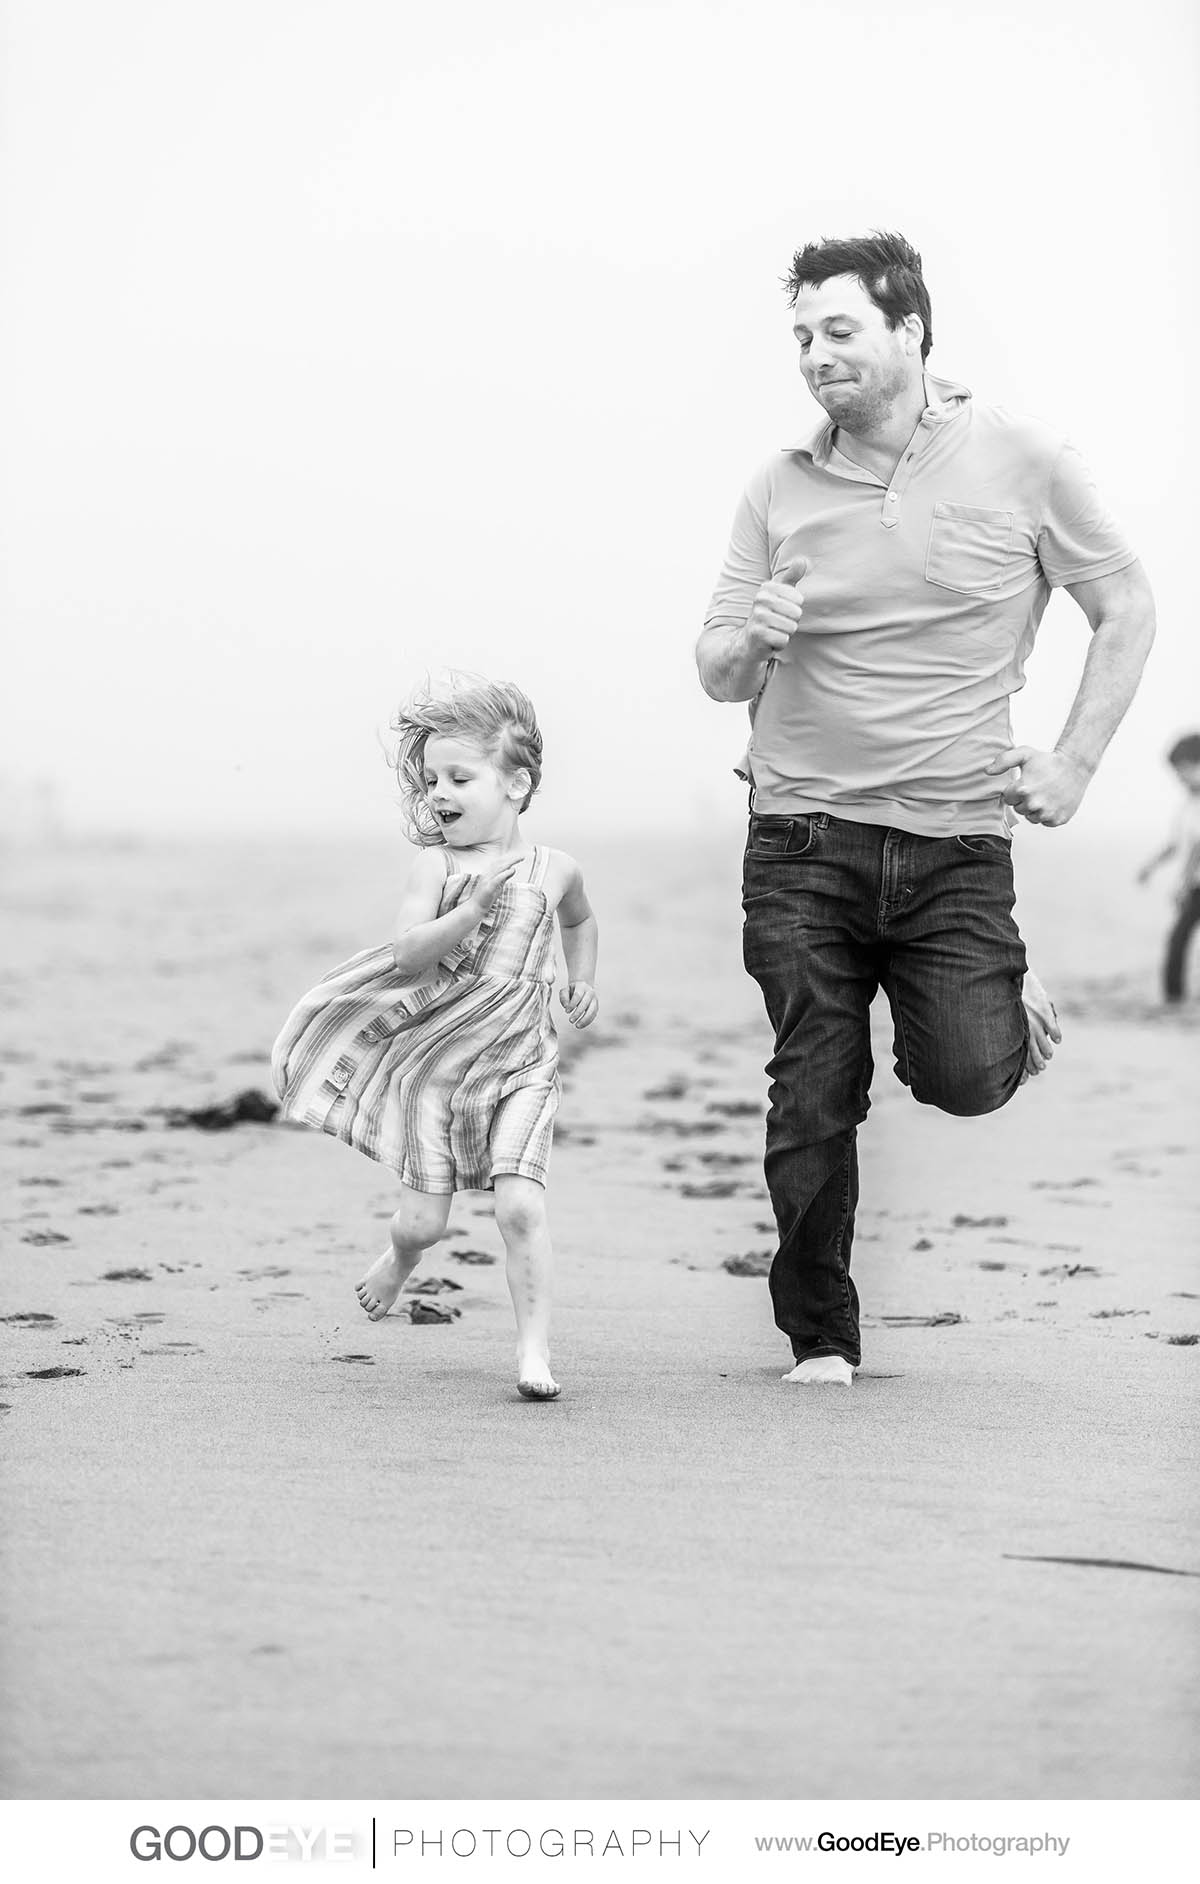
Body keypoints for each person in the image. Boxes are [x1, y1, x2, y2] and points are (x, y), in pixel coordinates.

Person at [696, 231, 1155, 1388]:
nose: (815, 356)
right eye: (801, 337)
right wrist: (754, 638)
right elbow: (717, 669)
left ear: (911, 328)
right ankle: (821, 1336)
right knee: (814, 1086)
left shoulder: (1025, 460)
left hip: (957, 842)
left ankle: (998, 983)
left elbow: (1128, 605)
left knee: (963, 1073)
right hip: (799, 837)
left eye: (839, 330)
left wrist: (1077, 765)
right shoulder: (779, 484)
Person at [272, 677, 599, 1400]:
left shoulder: (556, 869)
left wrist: (581, 978)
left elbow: (578, 920)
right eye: (430, 781)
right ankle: (398, 1257)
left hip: (522, 1064)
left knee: (520, 1209)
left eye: (459, 777)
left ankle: (533, 1353)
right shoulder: (439, 867)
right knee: (424, 1223)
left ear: (517, 783)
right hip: (437, 1070)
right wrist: (470, 909)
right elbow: (410, 953)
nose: (439, 793)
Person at [1136, 732, 1200, 1003]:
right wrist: (1151, 866)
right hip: (1195, 885)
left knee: (1179, 936)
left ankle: (1174, 998)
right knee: (1179, 937)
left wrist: (1183, 885)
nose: (1180, 778)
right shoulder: (1188, 803)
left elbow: (1197, 848)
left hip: (1195, 884)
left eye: (1184, 770)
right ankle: (1174, 997)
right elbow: (1177, 843)